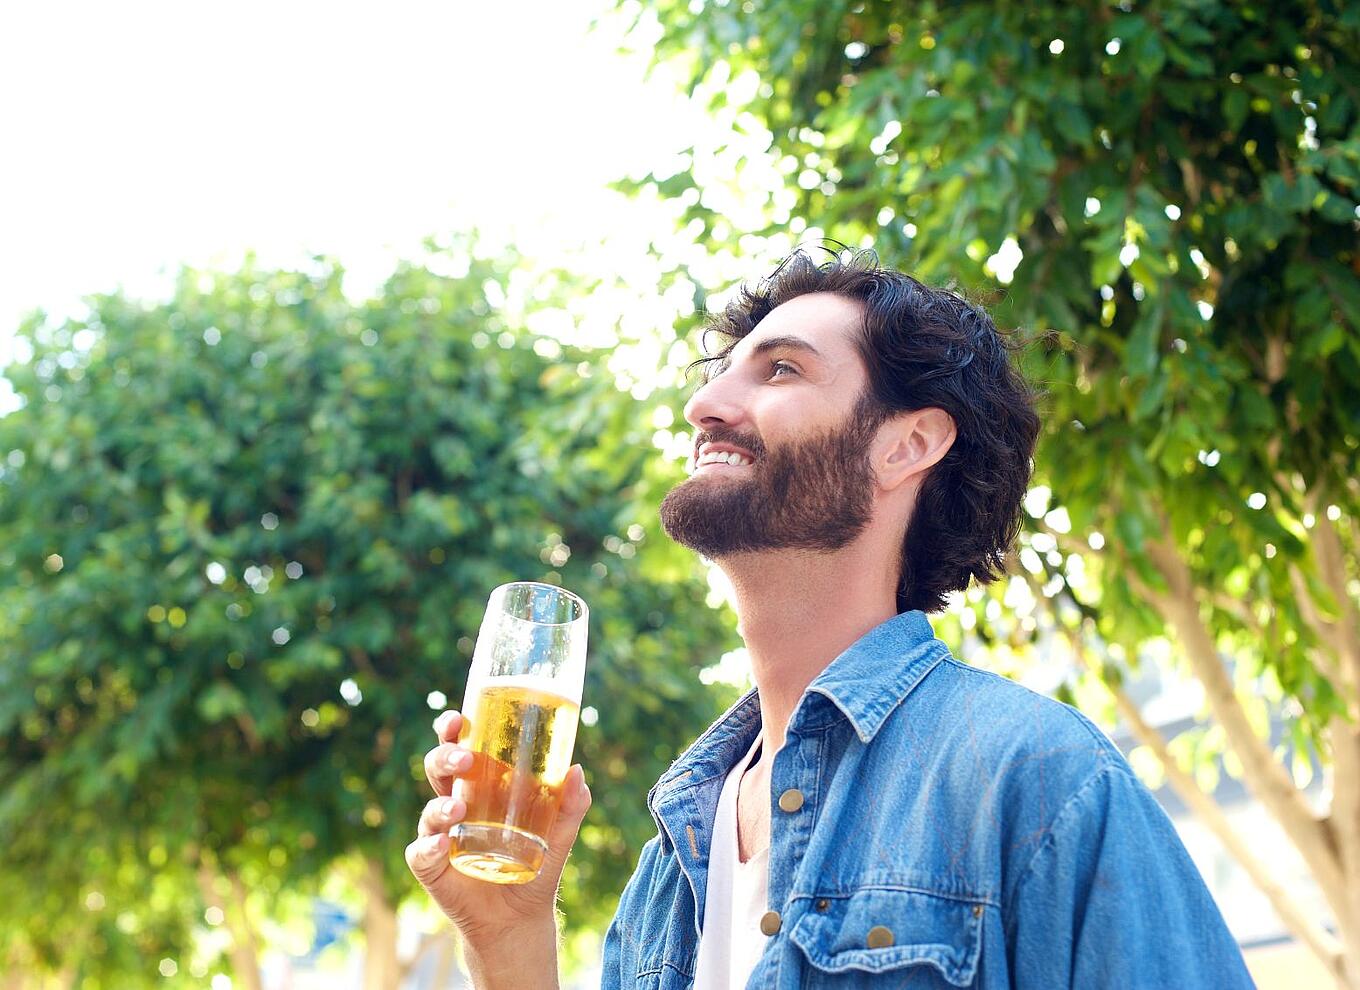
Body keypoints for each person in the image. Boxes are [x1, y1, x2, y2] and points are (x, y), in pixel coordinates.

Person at [406, 248, 1255, 988]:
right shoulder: (671, 863)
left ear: (907, 445)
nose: (705, 406)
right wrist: (510, 937)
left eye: (779, 370)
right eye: (718, 373)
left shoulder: (1034, 779)